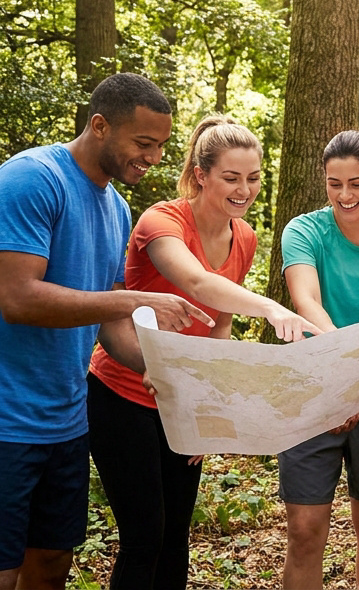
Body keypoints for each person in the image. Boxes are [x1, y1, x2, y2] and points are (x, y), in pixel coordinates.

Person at [85, 115, 314, 590]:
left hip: (182, 402)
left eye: (253, 178)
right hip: (122, 393)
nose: (243, 189)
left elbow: (220, 319)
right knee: (143, 536)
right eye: (231, 177)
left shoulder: (244, 237)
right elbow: (195, 281)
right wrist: (272, 309)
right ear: (201, 173)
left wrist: (208, 411)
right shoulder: (161, 221)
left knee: (175, 537)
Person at [0, 73, 208, 590]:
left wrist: (164, 373)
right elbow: (18, 297)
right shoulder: (32, 179)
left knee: (51, 564)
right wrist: (135, 298)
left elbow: (111, 324)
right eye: (143, 143)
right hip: (7, 421)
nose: (154, 158)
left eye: (161, 146)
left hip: (66, 421)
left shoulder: (115, 207)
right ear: (99, 125)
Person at [278, 130, 359, 590]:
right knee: (304, 530)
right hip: (311, 394)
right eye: (335, 183)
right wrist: (339, 384)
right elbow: (307, 303)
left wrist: (358, 388)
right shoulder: (304, 230)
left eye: (356, 183)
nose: (345, 194)